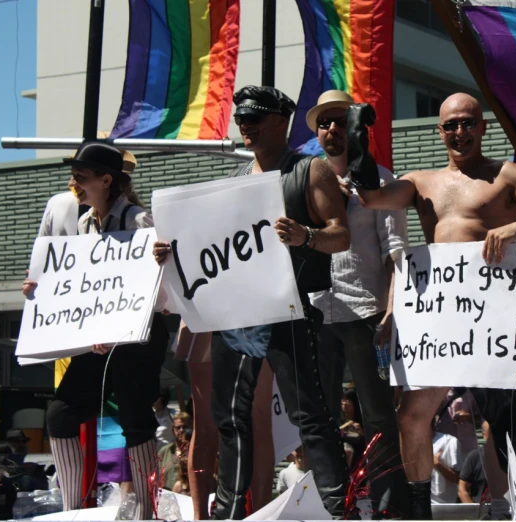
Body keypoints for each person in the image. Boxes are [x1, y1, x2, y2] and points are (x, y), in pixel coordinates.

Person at [350, 92, 516, 519]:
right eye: (451, 125)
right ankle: (419, 511)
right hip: (442, 320)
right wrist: (358, 141)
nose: (460, 132)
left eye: (468, 123)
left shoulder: (507, 176)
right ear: (439, 131)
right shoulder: (421, 182)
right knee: (411, 416)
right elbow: (371, 198)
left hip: (496, 319)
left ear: (483, 126)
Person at [153, 85, 350, 519]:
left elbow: (342, 234)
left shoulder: (309, 171)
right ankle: (227, 511)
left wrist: (307, 237)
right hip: (241, 314)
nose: (245, 125)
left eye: (255, 117)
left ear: (282, 121)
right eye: (241, 119)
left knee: (309, 412)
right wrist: (172, 256)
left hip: (291, 308)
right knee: (230, 414)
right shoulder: (238, 186)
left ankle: (338, 506)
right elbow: (210, 252)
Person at [23, 142, 169, 520]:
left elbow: (161, 292)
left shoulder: (139, 221)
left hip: (138, 338)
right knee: (60, 415)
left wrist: (159, 262)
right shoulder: (86, 223)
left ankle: (148, 511)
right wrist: (41, 290)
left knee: (136, 419)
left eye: (81, 176)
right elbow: (81, 284)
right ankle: (71, 510)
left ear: (106, 180)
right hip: (98, 340)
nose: (74, 183)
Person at [307, 89, 410, 516]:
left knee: (378, 414)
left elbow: (396, 252)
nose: (332, 130)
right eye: (324, 123)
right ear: (317, 133)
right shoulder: (301, 181)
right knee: (320, 414)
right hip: (316, 310)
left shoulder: (380, 180)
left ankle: (388, 503)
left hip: (366, 311)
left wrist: (392, 309)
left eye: (340, 120)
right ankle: (335, 502)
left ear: (355, 127)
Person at [158, 412, 192, 491]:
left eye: (185, 427)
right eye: (178, 427)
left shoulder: (196, 452)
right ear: (173, 430)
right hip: (168, 498)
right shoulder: (164, 451)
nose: (181, 430)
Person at [458, 420, 490, 504]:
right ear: (484, 435)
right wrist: (473, 512)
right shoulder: (474, 457)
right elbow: (462, 488)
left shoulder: (508, 456)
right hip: (480, 510)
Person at [431, 430, 460, 504]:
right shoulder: (410, 443)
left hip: (444, 506)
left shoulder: (450, 441)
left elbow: (458, 479)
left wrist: (437, 464)